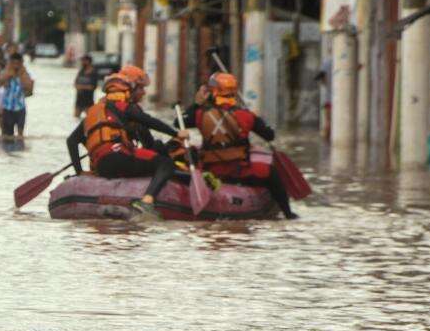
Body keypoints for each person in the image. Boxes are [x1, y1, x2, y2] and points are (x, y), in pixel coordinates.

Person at [65, 67, 189, 221]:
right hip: (120, 157)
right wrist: (176, 134)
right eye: (141, 89)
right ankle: (147, 201)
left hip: (102, 166)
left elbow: (71, 141)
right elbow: (150, 122)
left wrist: (79, 171)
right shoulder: (125, 107)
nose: (143, 93)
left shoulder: (94, 112)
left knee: (151, 159)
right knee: (165, 164)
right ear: (128, 90)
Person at [182, 72, 298, 219]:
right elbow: (270, 135)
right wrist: (255, 118)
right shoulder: (246, 115)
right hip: (240, 172)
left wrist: (197, 103)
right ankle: (288, 213)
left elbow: (179, 122)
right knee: (272, 173)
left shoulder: (199, 114)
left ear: (213, 92)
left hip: (211, 171)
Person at [0, 52, 34, 140]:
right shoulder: (5, 73)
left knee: (20, 135)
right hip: (7, 107)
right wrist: (8, 75)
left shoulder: (26, 74)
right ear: (10, 63)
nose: (15, 66)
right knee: (7, 134)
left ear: (21, 63)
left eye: (18, 63)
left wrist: (21, 75)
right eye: (13, 63)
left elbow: (29, 89)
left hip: (20, 107)